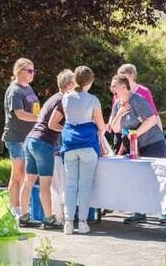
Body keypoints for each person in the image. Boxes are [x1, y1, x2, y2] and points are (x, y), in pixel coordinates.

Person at [49, 66, 107, 234]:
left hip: (69, 145)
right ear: (90, 81)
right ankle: (82, 222)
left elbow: (61, 120)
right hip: (88, 145)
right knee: (85, 184)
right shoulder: (93, 100)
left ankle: (68, 222)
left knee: (70, 184)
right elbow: (101, 126)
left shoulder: (66, 98)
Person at [18, 69, 75, 229]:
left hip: (31, 140)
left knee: (29, 181)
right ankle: (49, 219)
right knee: (45, 183)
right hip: (43, 143)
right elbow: (52, 124)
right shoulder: (64, 100)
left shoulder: (53, 98)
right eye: (75, 83)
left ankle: (23, 216)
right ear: (69, 84)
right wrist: (68, 129)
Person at [109, 74, 166, 223]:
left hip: (153, 143)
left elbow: (152, 119)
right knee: (138, 178)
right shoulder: (117, 104)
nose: (112, 89)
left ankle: (164, 212)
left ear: (123, 86)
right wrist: (120, 113)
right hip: (137, 147)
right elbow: (115, 129)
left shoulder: (137, 100)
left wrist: (135, 134)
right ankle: (140, 212)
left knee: (158, 178)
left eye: (114, 86)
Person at [1, 58, 40, 217]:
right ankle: (14, 208)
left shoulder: (28, 88)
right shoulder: (14, 91)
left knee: (25, 173)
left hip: (28, 137)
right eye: (29, 71)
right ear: (19, 72)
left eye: (33, 71)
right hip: (16, 138)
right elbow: (20, 114)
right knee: (18, 174)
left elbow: (34, 108)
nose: (32, 74)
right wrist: (40, 119)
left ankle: (22, 206)